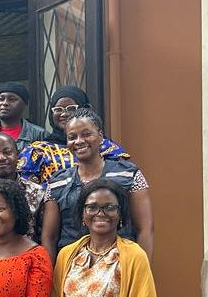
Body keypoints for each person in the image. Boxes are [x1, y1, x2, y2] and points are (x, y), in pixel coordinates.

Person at [44, 108, 154, 259]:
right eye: (72, 137)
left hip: (120, 265)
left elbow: (145, 229)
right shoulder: (57, 183)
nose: (79, 141)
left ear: (100, 136)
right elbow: (49, 237)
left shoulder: (129, 174)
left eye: (86, 134)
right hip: (72, 270)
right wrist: (53, 278)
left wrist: (141, 270)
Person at [17, 86, 129, 185]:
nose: (64, 114)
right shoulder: (38, 151)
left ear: (85, 109)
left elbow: (123, 181)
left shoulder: (107, 147)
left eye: (71, 108)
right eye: (58, 109)